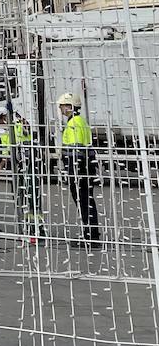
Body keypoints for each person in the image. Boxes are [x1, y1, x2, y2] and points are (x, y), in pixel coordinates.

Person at [58, 92, 102, 245]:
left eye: (63, 106)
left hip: (80, 169)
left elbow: (76, 151)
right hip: (86, 168)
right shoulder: (80, 121)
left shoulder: (74, 124)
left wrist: (73, 172)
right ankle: (92, 233)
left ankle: (91, 236)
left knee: (83, 201)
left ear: (70, 107)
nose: (61, 109)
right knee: (87, 200)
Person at [0, 103, 42, 237]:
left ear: (4, 118)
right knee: (20, 196)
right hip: (18, 168)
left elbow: (27, 128)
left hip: (29, 165)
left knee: (32, 196)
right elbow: (6, 154)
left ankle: (37, 228)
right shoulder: (5, 135)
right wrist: (0, 165)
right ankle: (26, 226)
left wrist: (16, 115)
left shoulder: (18, 126)